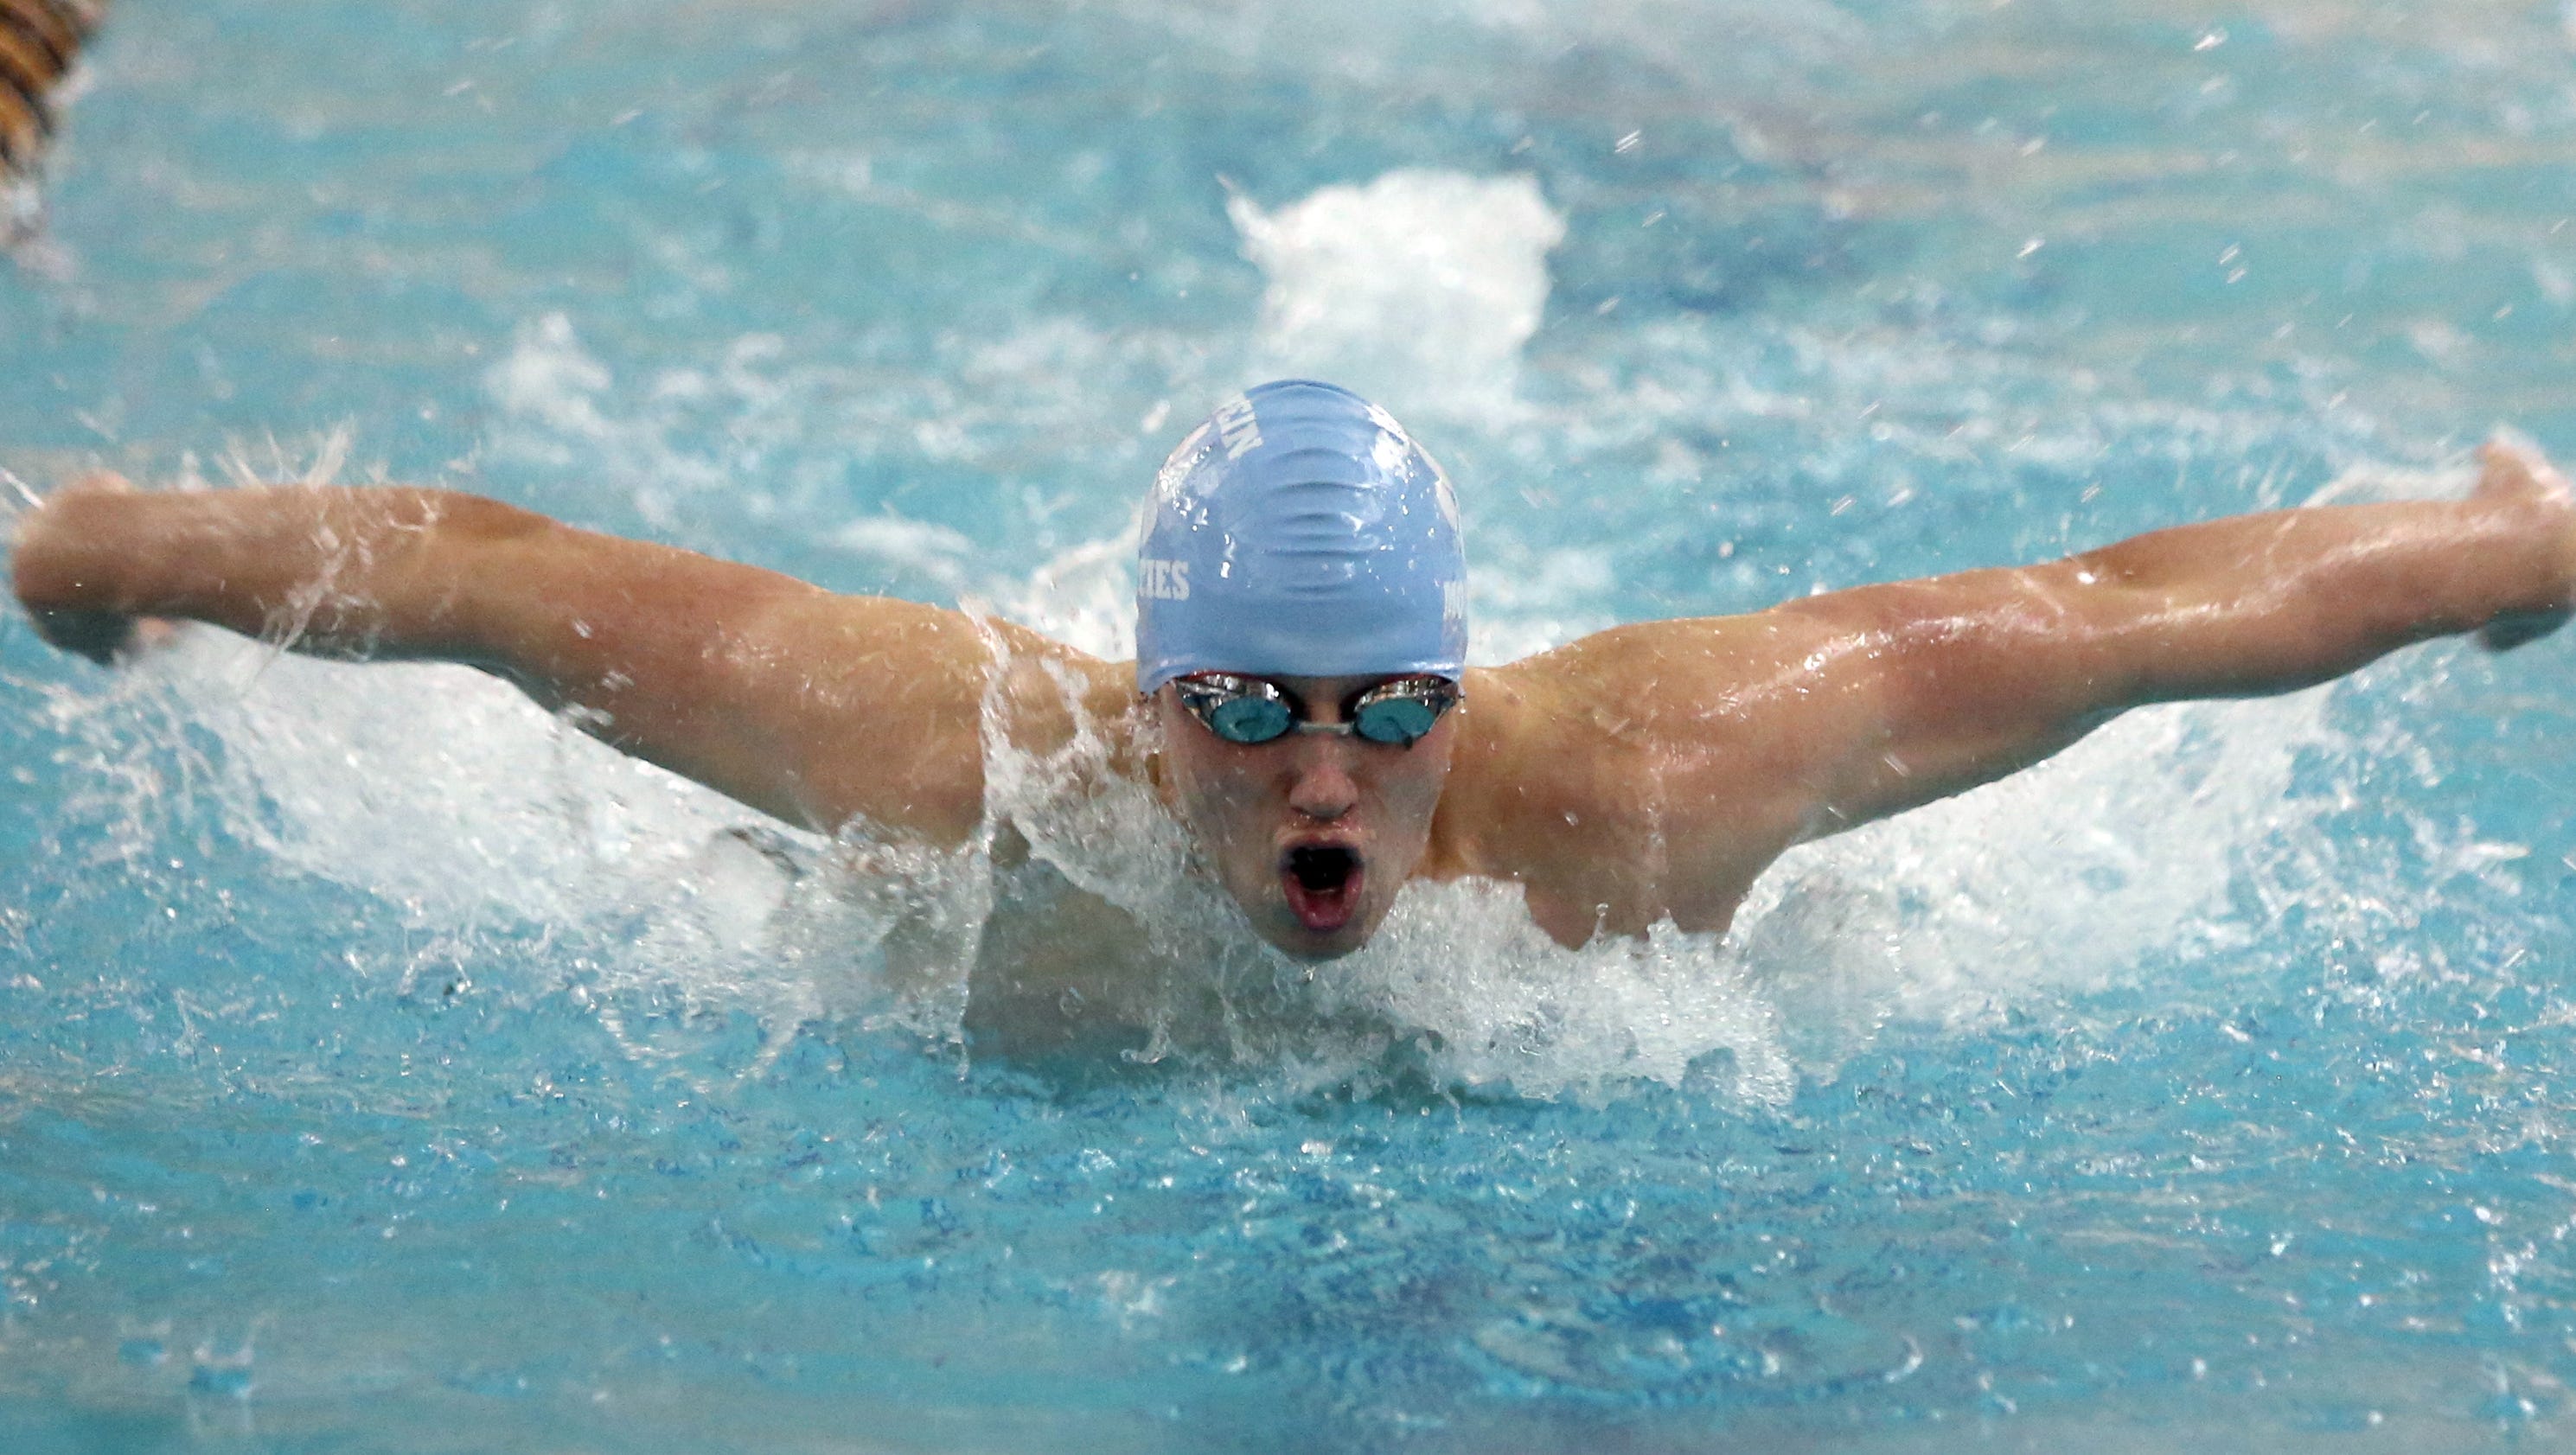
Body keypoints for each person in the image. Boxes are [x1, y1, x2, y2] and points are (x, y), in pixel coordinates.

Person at [11, 380, 2575, 1001]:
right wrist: (116, 546)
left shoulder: (1648, 778)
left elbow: (2116, 615)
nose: (1322, 773)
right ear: (1144, 701)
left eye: (1379, 709)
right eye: (1243, 707)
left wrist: (2490, 548)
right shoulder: (954, 752)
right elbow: (490, 572)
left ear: (1466, 690)